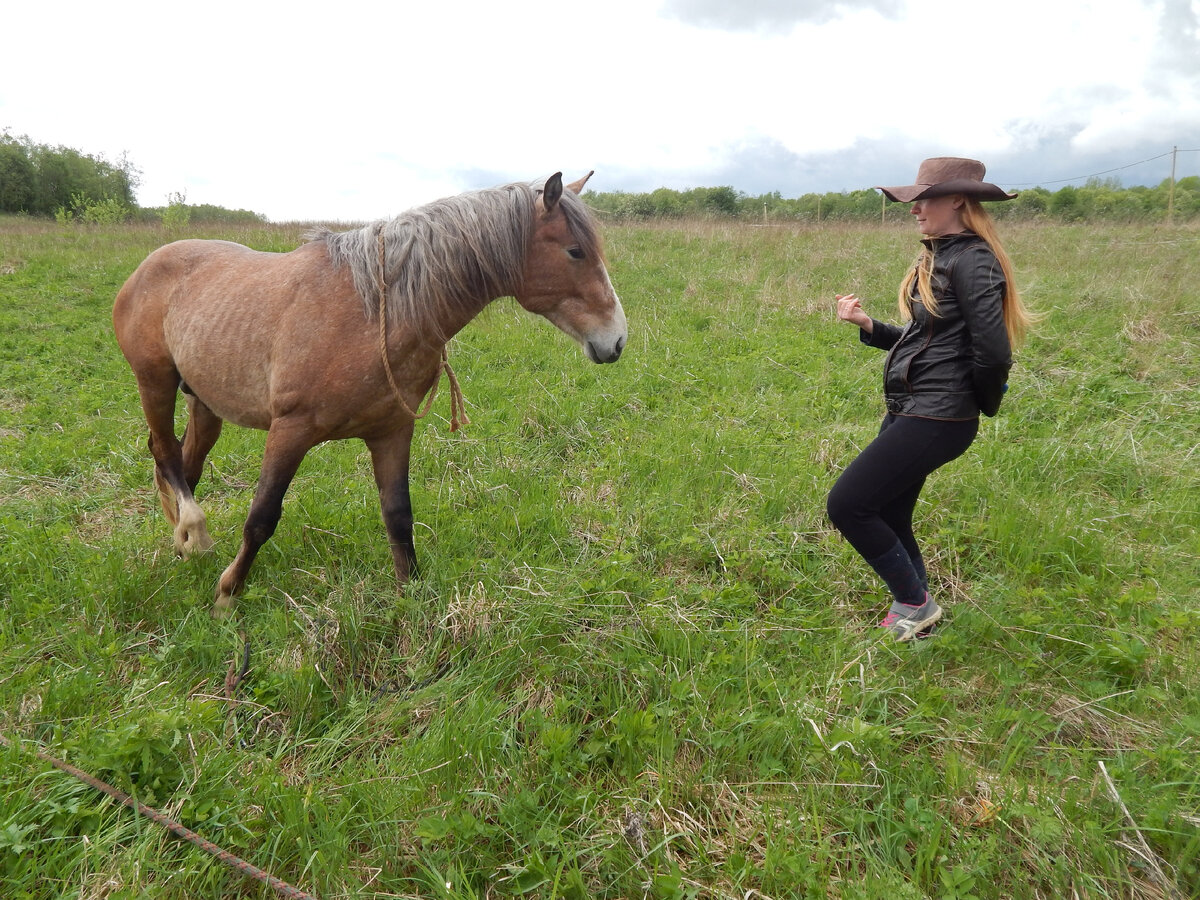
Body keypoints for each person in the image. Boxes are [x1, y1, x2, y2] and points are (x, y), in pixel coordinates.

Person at [827, 157, 1033, 642]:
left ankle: (916, 604)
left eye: (925, 198)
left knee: (849, 504)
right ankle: (921, 624)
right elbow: (927, 339)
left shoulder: (973, 259)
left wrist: (976, 403)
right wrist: (869, 327)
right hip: (913, 408)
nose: (915, 208)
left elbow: (993, 351)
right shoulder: (941, 254)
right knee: (891, 512)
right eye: (913, 200)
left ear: (958, 200)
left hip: (938, 415)